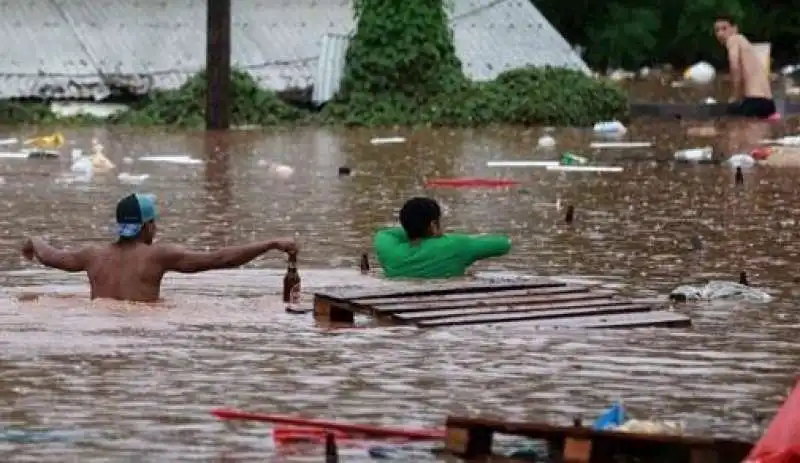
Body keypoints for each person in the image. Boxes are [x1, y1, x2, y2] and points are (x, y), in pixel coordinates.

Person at [21, 193, 297, 303]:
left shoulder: (92, 256)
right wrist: (270, 243)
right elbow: (220, 259)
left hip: (100, 323)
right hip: (144, 331)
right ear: (147, 226)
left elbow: (50, 257)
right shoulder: (158, 256)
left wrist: (33, 240)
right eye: (154, 223)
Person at [373, 197, 511, 279]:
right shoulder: (455, 246)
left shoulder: (390, 253)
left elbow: (385, 234)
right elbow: (504, 244)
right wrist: (444, 236)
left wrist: (413, 229)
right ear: (433, 225)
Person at [714, 15, 776, 119]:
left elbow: (735, 66)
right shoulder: (745, 43)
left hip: (755, 101)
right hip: (768, 103)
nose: (720, 33)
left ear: (735, 29)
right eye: (717, 30)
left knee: (728, 124)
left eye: (724, 28)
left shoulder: (734, 39)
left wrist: (735, 96)